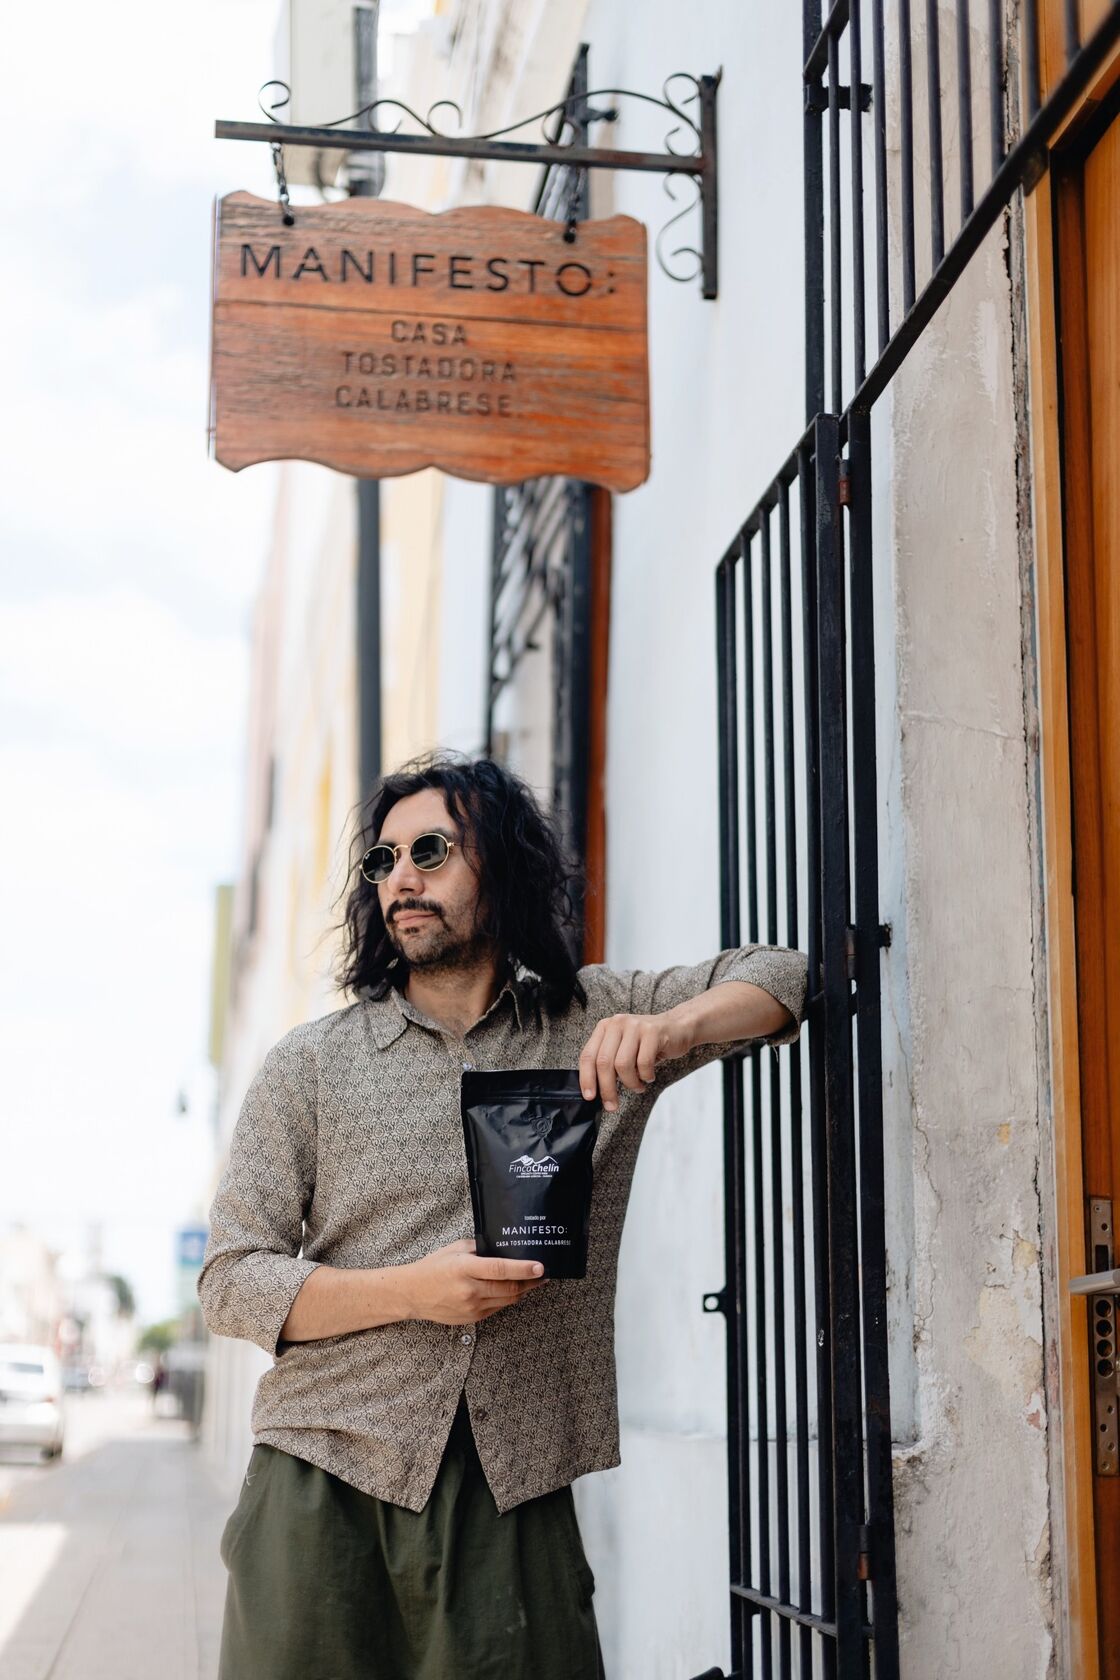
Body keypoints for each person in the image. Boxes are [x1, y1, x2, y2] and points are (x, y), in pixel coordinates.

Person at [198, 754, 808, 1680]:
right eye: (385, 859)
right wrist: (413, 1292)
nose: (402, 877)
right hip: (323, 1476)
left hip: (513, 1481)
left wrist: (669, 1031)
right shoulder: (309, 1066)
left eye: (433, 851)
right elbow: (231, 1283)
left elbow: (787, 977)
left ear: (501, 868)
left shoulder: (590, 1018)